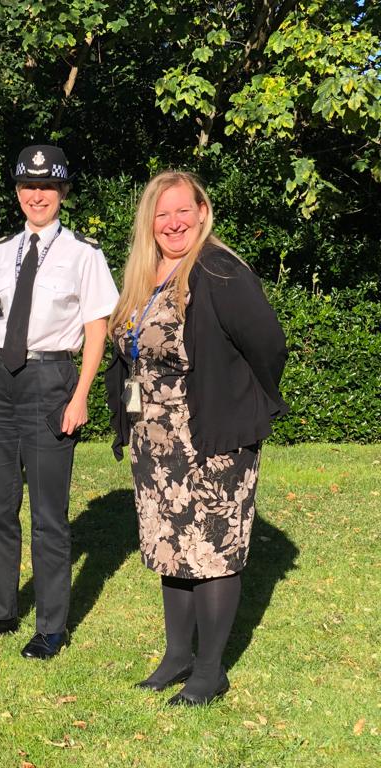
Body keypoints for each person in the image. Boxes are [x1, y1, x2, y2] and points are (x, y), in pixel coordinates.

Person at [105, 170, 288, 705]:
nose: (173, 222)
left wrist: (241, 402)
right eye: (162, 214)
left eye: (183, 210)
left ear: (203, 212)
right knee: (170, 545)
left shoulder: (218, 270)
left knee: (211, 550)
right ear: (150, 224)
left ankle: (210, 669)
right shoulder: (147, 275)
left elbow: (269, 345)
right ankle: (177, 656)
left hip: (211, 438)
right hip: (155, 444)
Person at [0, 145, 119, 658]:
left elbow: (98, 330)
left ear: (62, 193)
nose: (37, 196)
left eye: (47, 187)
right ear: (18, 193)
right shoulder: (2, 250)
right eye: (28, 187)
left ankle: (51, 626)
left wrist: (80, 396)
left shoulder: (84, 254)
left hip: (50, 380)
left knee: (49, 514)